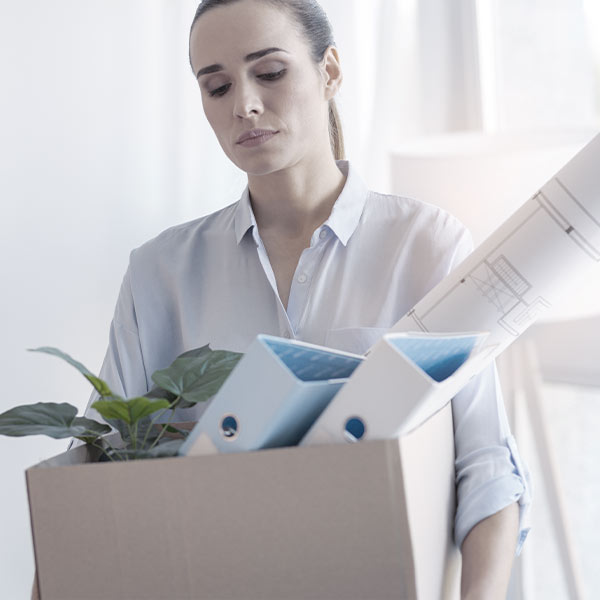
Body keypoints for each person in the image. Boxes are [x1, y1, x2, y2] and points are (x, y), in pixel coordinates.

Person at [74, 0, 530, 598]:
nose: (244, 105)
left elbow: (487, 469)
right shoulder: (159, 272)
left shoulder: (426, 246)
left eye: (269, 73)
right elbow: (90, 479)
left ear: (330, 71)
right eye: (216, 86)